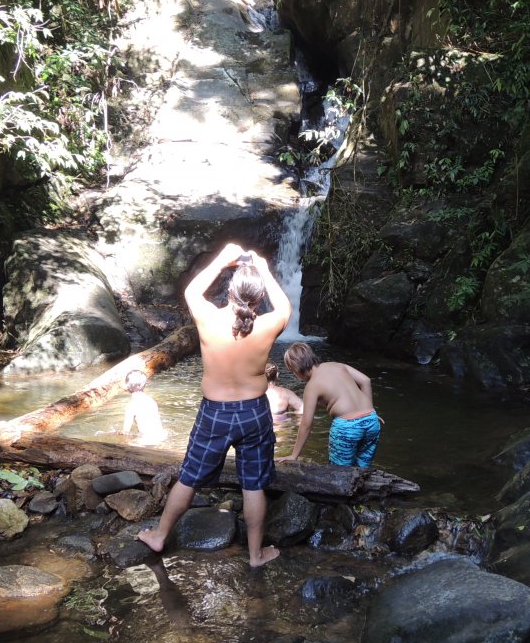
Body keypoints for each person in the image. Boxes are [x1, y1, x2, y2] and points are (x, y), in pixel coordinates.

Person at [137, 243, 291, 567]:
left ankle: (160, 536)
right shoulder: (270, 324)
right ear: (259, 297)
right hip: (254, 412)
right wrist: (263, 268)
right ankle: (255, 555)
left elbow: (192, 291)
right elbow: (284, 306)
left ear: (230, 291)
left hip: (215, 413)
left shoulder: (208, 318)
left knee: (189, 477)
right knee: (253, 485)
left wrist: (222, 259)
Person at [280, 341, 382, 467]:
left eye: (293, 372)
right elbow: (366, 381)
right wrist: (369, 411)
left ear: (296, 369)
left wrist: (294, 455)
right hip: (371, 421)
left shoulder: (312, 386)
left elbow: (306, 424)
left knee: (339, 472)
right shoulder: (337, 365)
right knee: (363, 469)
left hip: (347, 427)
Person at [117, 369, 166, 445]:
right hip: (162, 436)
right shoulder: (151, 401)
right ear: (144, 385)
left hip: (146, 440)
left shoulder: (131, 406)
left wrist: (114, 433)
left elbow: (126, 431)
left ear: (127, 387)